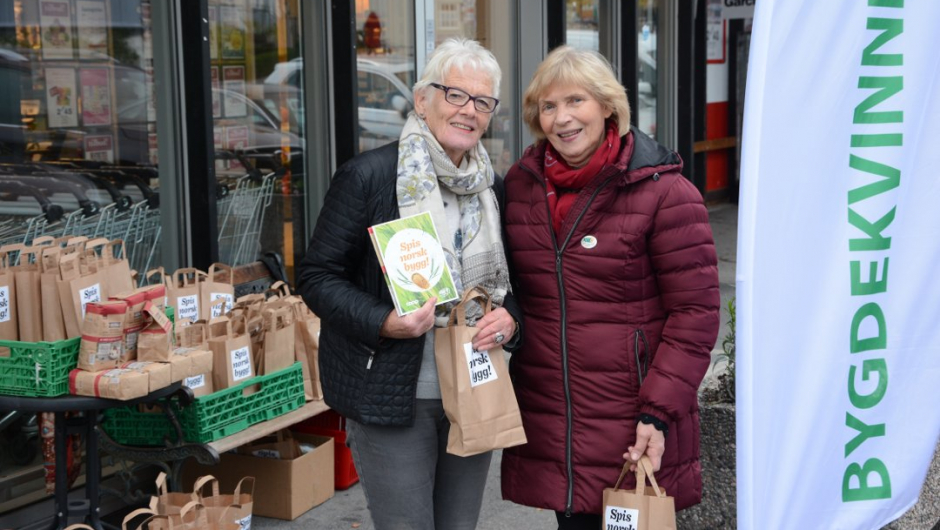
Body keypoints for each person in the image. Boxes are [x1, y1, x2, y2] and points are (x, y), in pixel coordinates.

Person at [297, 38, 522, 530]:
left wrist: (512, 320)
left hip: (474, 382)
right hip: (395, 391)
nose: (469, 111)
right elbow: (316, 277)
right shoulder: (370, 177)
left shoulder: (494, 188)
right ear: (423, 99)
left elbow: (517, 285)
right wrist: (383, 321)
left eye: (482, 102)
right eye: (456, 95)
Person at [500, 45, 720, 529]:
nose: (562, 118)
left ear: (606, 105)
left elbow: (695, 314)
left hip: (633, 421)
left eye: (575, 100)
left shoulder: (664, 191)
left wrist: (658, 413)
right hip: (554, 420)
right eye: (549, 106)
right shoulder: (519, 186)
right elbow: (510, 287)